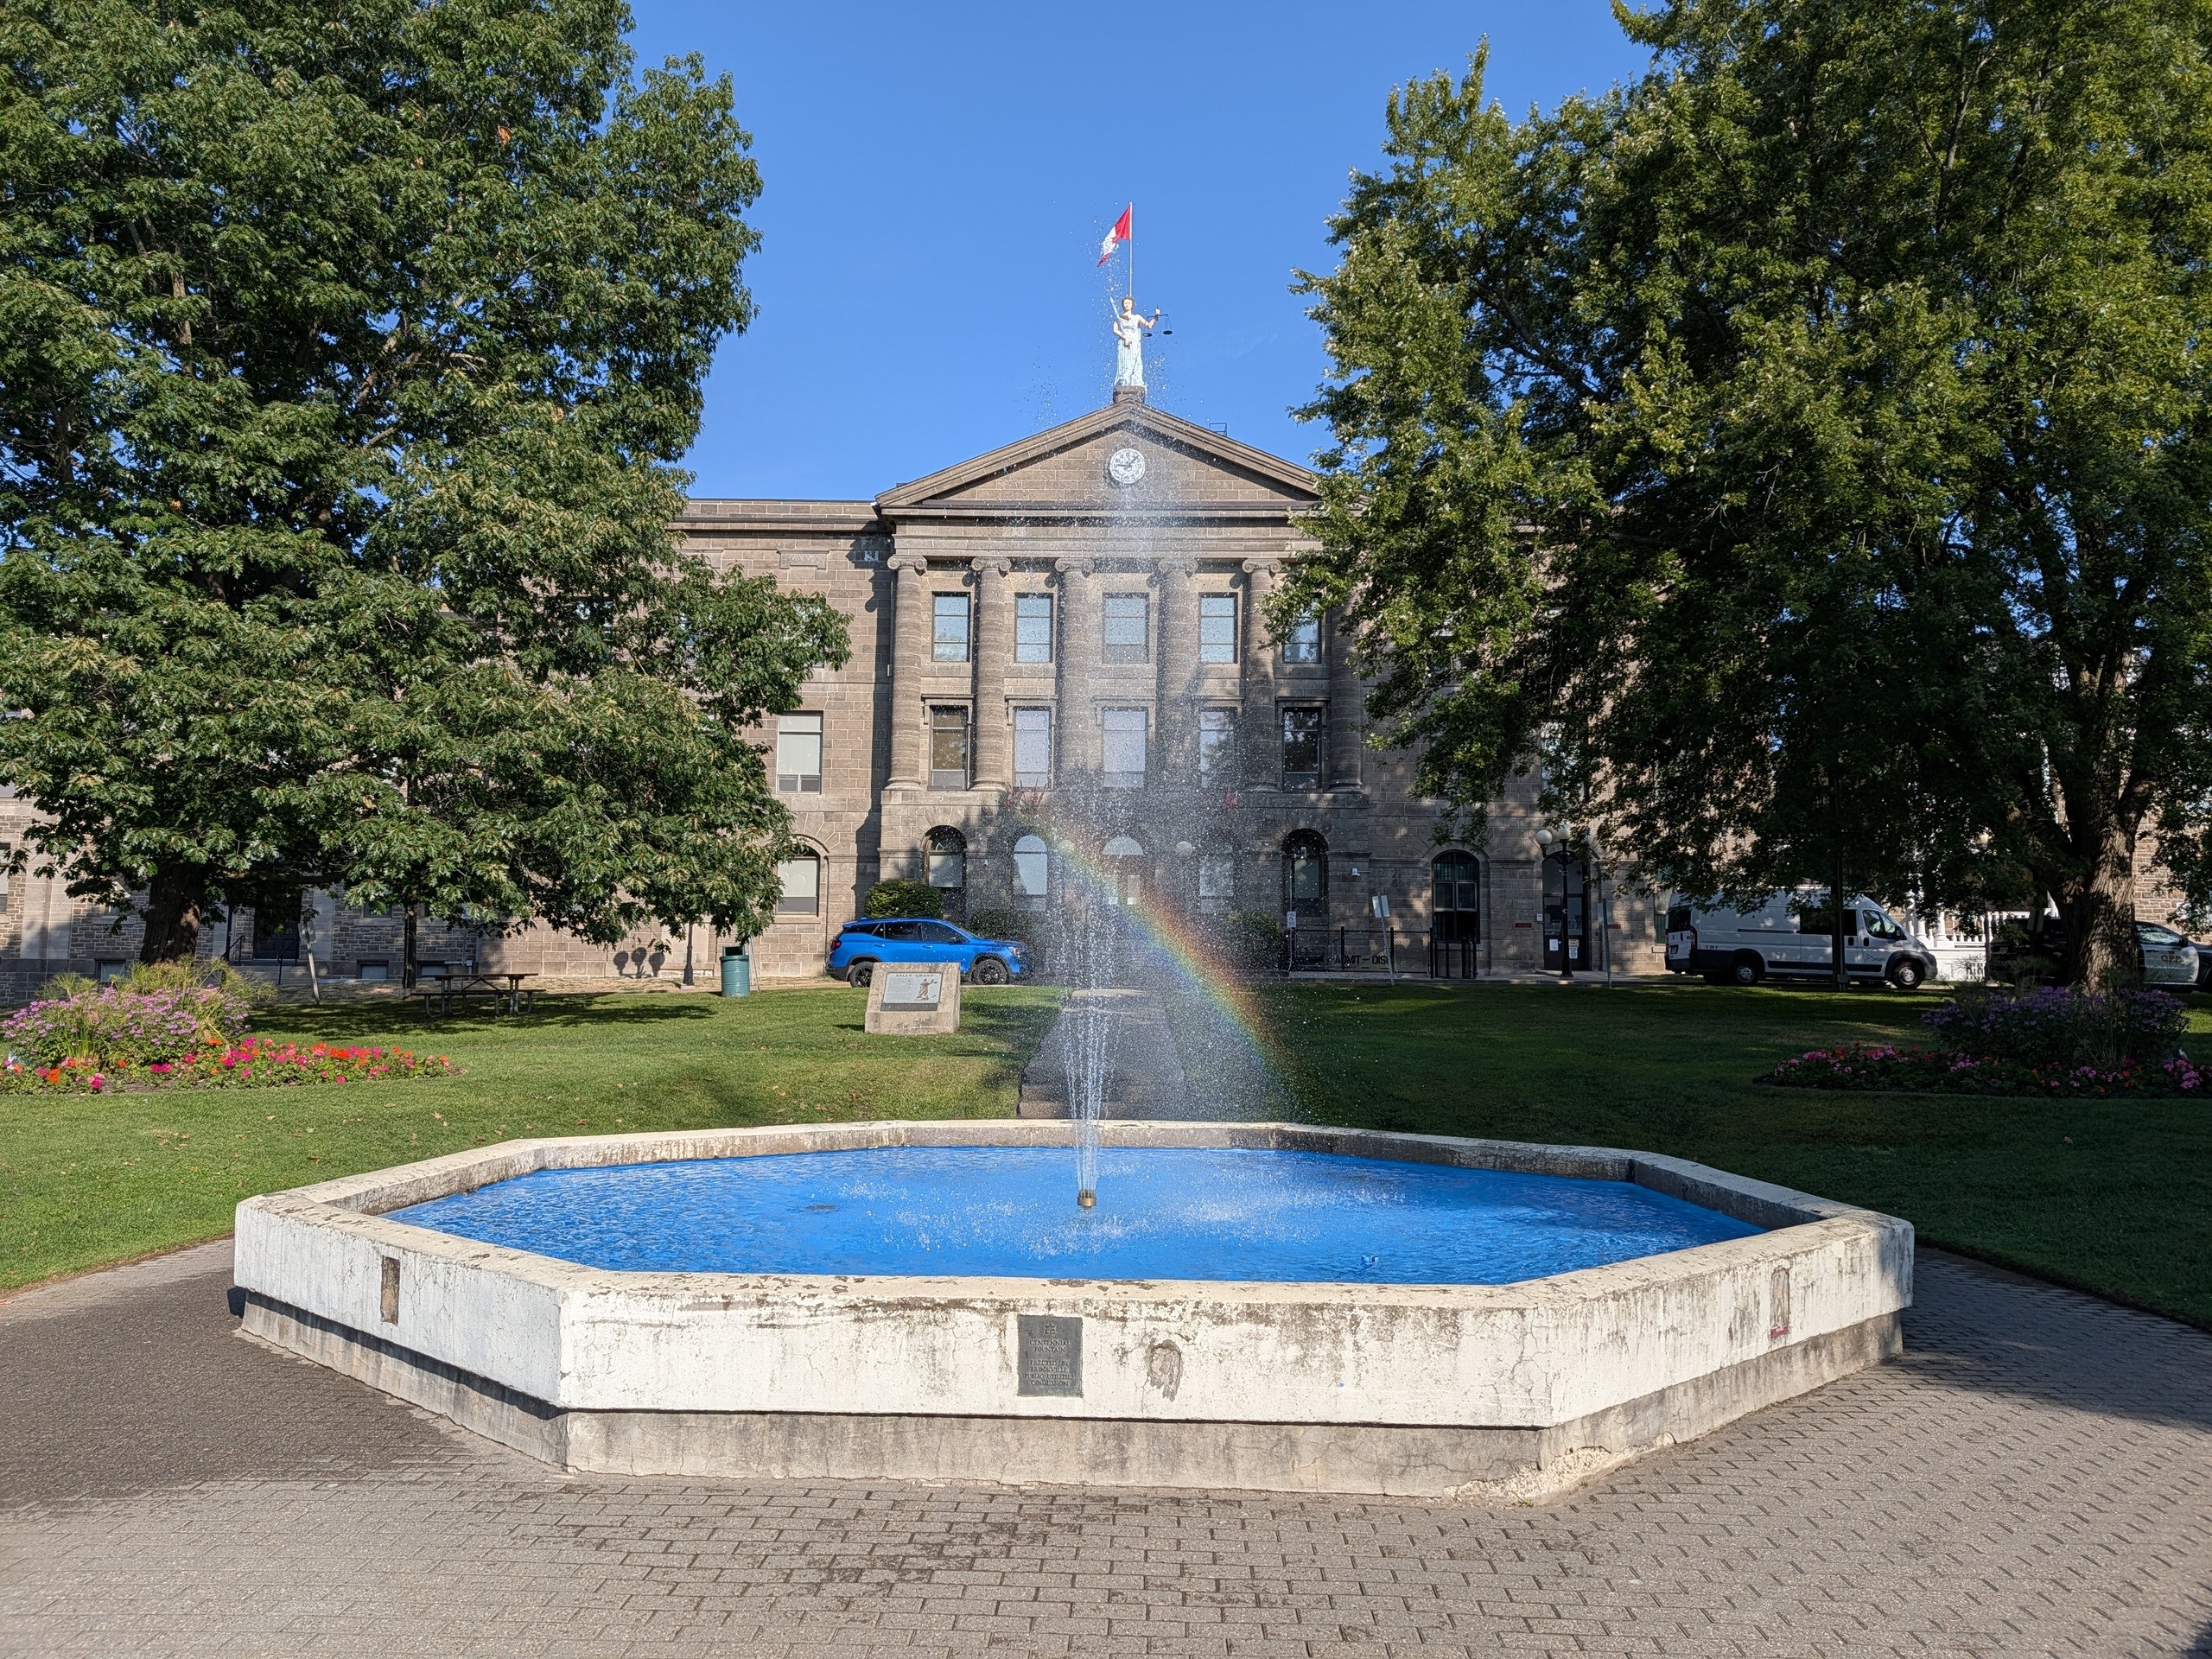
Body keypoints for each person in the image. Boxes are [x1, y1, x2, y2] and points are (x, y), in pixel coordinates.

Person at [1110, 296, 1160, 387]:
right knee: (1125, 362)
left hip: (1134, 343)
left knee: (1135, 361)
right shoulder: (1119, 318)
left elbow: (1148, 325)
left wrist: (1156, 316)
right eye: (1125, 303)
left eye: (1129, 303)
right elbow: (1115, 330)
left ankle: (1134, 382)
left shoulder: (1137, 317)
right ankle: (1124, 381)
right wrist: (1124, 337)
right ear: (1122, 305)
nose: (1127, 304)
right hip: (1123, 343)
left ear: (1132, 305)